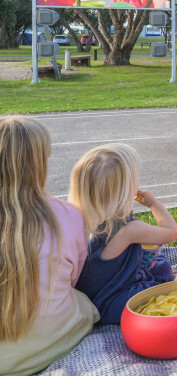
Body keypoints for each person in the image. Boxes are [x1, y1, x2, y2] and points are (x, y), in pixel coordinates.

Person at [0, 116, 99, 375]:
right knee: (82, 300)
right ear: (39, 164)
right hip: (56, 341)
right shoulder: (70, 215)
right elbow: (74, 278)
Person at [72, 143, 177, 324]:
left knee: (159, 264)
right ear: (126, 189)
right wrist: (153, 204)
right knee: (163, 268)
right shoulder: (130, 229)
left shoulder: (80, 220)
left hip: (87, 297)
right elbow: (170, 232)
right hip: (115, 301)